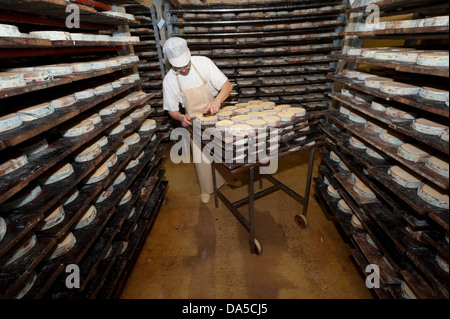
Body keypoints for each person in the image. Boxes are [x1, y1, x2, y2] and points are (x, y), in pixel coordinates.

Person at [162, 37, 240, 203]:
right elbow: (172, 110)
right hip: (194, 121)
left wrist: (217, 101)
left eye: (186, 66)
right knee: (202, 158)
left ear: (189, 52)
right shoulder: (169, 80)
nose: (183, 70)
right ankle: (207, 189)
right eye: (179, 68)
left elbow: (227, 85)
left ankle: (228, 178)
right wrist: (181, 117)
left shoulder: (203, 63)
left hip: (216, 114)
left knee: (223, 152)